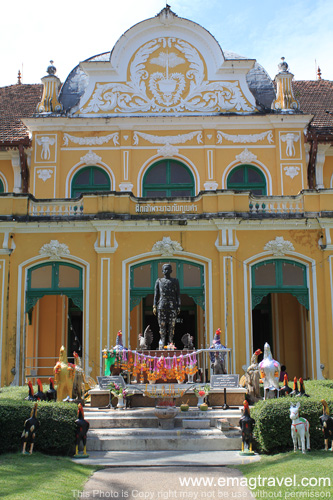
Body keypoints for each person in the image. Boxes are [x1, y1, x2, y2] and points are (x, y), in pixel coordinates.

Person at [153, 263, 181, 346]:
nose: (166, 271)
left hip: (172, 305)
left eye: (168, 269)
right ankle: (162, 342)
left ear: (171, 271)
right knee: (162, 325)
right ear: (162, 271)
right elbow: (156, 294)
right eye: (164, 269)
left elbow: (178, 294)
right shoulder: (159, 281)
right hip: (161, 305)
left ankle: (170, 342)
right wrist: (154, 305)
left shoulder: (175, 281)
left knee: (172, 325)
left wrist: (179, 306)